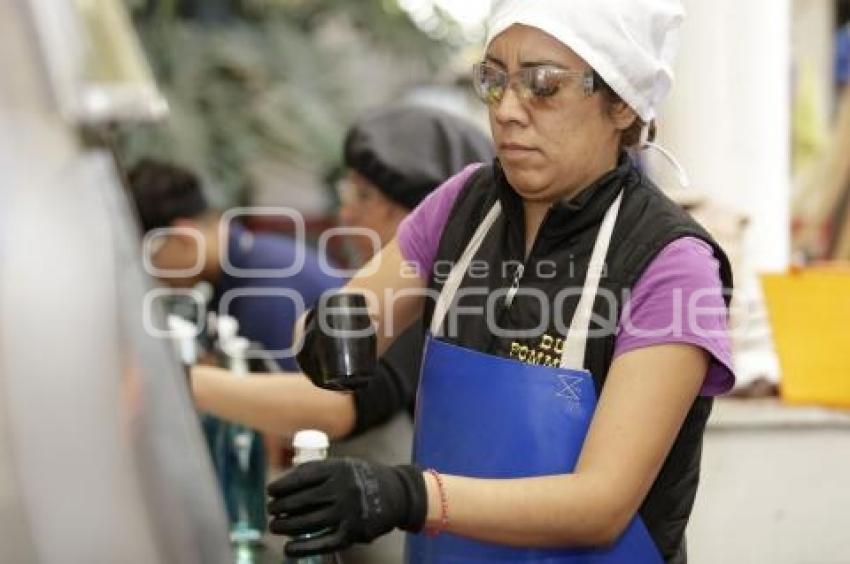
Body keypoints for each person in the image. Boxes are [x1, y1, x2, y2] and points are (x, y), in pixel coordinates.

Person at [266, 2, 736, 564]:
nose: (508, 110)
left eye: (543, 85)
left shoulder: (672, 262)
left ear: (621, 102)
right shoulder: (462, 205)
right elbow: (351, 317)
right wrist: (324, 333)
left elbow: (601, 504)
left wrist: (409, 496)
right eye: (494, 80)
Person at [188, 106, 494, 563]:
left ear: (424, 208)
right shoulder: (376, 285)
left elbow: (337, 405)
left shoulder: (448, 295)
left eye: (363, 194)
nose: (346, 211)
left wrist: (186, 384)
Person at [127, 159, 343, 366]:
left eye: (150, 256)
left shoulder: (267, 289)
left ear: (185, 237)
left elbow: (287, 395)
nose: (152, 273)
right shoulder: (247, 263)